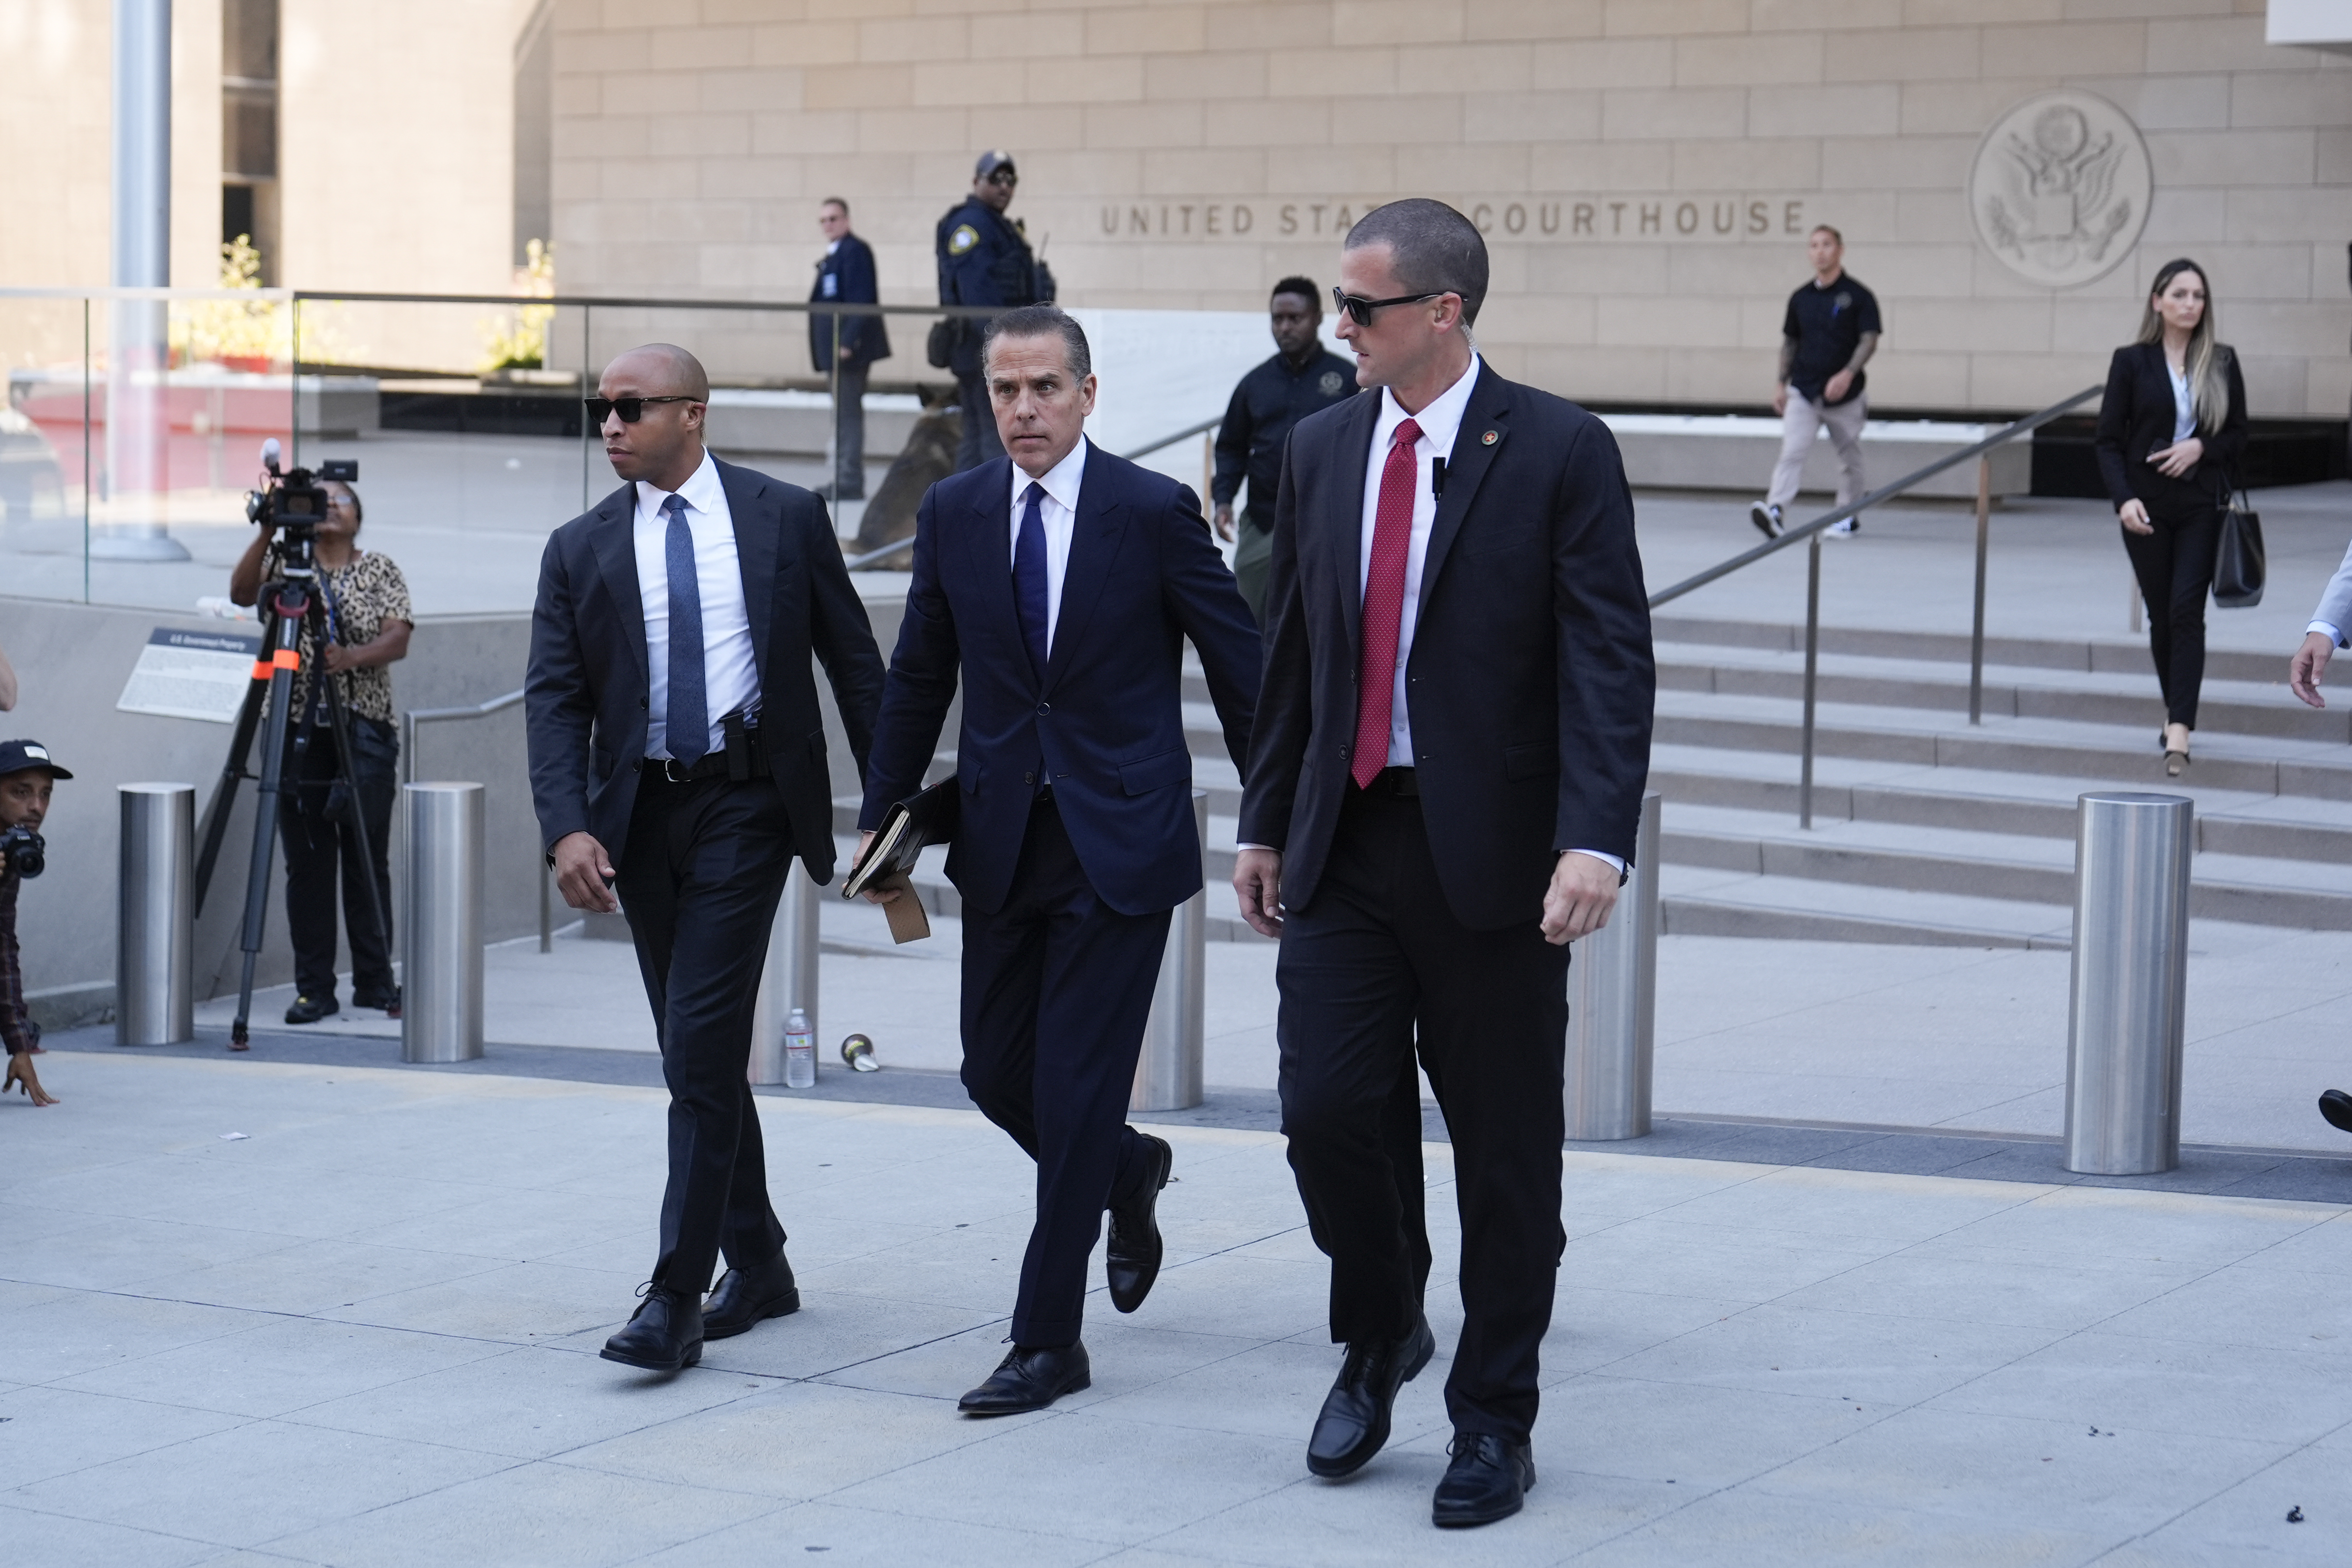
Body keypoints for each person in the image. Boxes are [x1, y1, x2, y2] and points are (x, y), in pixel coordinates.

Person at [1233, 199, 1654, 1529]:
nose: (1335, 326)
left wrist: (1596, 837)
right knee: (1324, 1115)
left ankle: (1494, 1416)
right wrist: (1261, 820)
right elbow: (1294, 654)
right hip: (1346, 838)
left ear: (1444, 312)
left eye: (1360, 309)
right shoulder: (1317, 447)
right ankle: (1381, 1328)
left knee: (1505, 1155)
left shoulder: (1560, 450)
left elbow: (1608, 657)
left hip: (1497, 859)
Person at [855, 305, 1259, 1415]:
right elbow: (919, 674)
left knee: (1076, 1093)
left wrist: (1279, 813)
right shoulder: (955, 511)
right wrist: (886, 817)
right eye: (1006, 391)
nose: (1025, 409)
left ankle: (1048, 1340)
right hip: (1000, 840)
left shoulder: (1153, 510)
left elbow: (1243, 670)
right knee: (996, 1073)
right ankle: (1128, 1173)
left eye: (1045, 388)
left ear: (1088, 393)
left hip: (1120, 846)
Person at [526, 343, 886, 1373]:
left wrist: (891, 810)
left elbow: (855, 667)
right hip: (638, 818)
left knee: (695, 1041)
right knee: (701, 1053)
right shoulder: (578, 547)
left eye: (631, 408)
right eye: (602, 409)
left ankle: (675, 1294)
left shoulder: (784, 516)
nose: (610, 426)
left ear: (693, 413)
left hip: (751, 804)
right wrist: (566, 827)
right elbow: (556, 702)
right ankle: (761, 1263)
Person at [228, 477, 410, 1024]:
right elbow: (240, 592)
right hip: (291, 727)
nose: (329, 505)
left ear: (359, 517)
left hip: (363, 730)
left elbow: (398, 636)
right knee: (306, 864)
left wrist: (350, 658)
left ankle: (376, 980)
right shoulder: (286, 569)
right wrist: (268, 529)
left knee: (365, 857)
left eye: (342, 500)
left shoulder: (378, 567)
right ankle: (314, 987)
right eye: (318, 499)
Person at [2095, 257, 2249, 778]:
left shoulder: (2221, 361)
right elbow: (2108, 442)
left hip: (2202, 505)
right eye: (2180, 294)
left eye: (2199, 296)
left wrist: (2200, 447)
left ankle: (2179, 727)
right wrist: (2123, 500)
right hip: (2146, 507)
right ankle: (2175, 711)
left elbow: (2240, 436)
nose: (2190, 304)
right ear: (2158, 301)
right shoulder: (2131, 361)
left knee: (2186, 610)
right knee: (2163, 616)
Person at [1213, 278, 1357, 623]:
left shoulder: (1348, 379)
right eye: (1278, 319)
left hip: (1328, 523)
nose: (1285, 327)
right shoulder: (1254, 384)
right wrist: (1223, 500)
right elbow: (1231, 447)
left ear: (1318, 318)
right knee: (1248, 620)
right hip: (1264, 520)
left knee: (1319, 623)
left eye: (1295, 318)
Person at [1750, 225, 1880, 541]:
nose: (1820, 251)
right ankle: (1776, 510)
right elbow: (1790, 343)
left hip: (1845, 396)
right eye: (1814, 246)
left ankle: (1848, 516)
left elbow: (1869, 340)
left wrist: (1848, 373)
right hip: (1804, 391)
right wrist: (1781, 383)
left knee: (1849, 456)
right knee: (1792, 451)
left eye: (1826, 245)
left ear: (1840, 250)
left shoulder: (1859, 296)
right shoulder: (1801, 298)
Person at [936, 151, 1053, 474]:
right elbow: (978, 299)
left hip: (991, 351)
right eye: (995, 179)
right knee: (995, 437)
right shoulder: (972, 225)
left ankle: (968, 511)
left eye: (1010, 180)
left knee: (979, 435)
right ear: (976, 183)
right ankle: (989, 513)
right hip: (984, 351)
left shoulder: (996, 225)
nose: (1004, 187)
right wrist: (1002, 354)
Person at [810, 196, 890, 503]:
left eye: (834, 218)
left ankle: (848, 480)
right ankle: (845, 477)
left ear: (847, 220)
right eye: (824, 220)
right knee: (842, 415)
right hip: (835, 351)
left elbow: (862, 299)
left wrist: (847, 342)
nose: (828, 225)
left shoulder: (855, 251)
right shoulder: (836, 254)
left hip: (848, 353)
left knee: (847, 416)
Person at [0, 739, 65, 1106]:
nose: (36, 807)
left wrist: (19, 1046)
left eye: (45, 794)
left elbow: (3, 946)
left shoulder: (15, 843)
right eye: (21, 793)